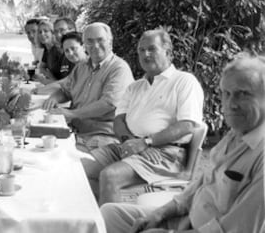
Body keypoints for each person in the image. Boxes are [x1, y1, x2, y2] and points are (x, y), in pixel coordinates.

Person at [100, 54, 265, 233]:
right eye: (227, 94)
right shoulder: (234, 136)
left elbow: (237, 229)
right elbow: (197, 189)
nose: (231, 104)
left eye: (244, 94)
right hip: (186, 220)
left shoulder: (260, 155)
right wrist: (160, 214)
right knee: (110, 214)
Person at [82, 29, 204, 205]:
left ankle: (112, 226)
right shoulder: (135, 87)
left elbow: (187, 125)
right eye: (141, 50)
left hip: (164, 153)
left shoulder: (184, 81)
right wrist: (130, 142)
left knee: (110, 175)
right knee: (80, 169)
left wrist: (146, 142)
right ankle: (99, 219)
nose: (145, 54)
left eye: (152, 49)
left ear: (168, 52)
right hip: (128, 144)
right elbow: (119, 121)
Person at [43, 22, 134, 151]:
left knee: (63, 162)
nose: (95, 46)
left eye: (100, 40)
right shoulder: (81, 66)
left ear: (110, 42)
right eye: (90, 41)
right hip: (75, 131)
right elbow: (65, 91)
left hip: (101, 137)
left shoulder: (119, 68)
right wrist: (54, 98)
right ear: (85, 45)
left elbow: (108, 104)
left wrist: (72, 114)